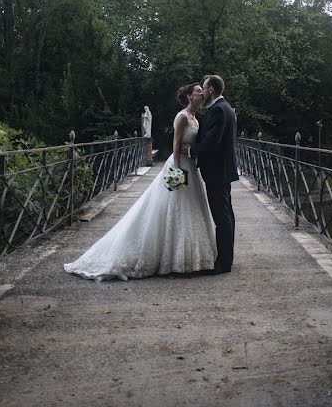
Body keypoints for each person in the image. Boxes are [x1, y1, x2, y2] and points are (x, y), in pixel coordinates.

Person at [64, 83, 217, 280]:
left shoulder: (196, 119)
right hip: (178, 166)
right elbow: (176, 145)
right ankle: (172, 260)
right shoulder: (182, 117)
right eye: (197, 91)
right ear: (189, 96)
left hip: (191, 168)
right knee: (173, 208)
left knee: (189, 210)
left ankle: (189, 258)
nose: (201, 94)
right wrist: (177, 172)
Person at [187, 74, 238, 274]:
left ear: (211, 90)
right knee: (227, 214)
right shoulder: (225, 108)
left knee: (222, 216)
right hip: (223, 169)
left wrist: (192, 151)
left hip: (217, 170)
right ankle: (227, 258)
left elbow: (211, 141)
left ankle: (224, 263)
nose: (203, 91)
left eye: (205, 87)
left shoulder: (218, 109)